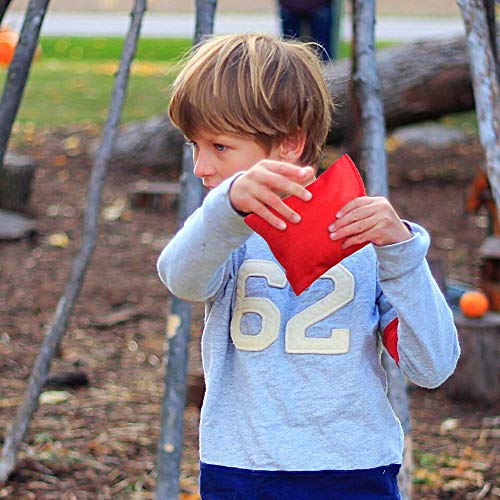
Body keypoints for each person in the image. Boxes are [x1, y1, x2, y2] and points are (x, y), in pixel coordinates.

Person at [157, 33, 459, 499]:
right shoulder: (223, 235)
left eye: (219, 147)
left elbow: (432, 365)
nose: (200, 166)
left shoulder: (369, 239)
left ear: (290, 143)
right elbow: (182, 279)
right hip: (240, 467)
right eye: (193, 146)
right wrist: (225, 211)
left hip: (355, 469)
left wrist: (401, 253)